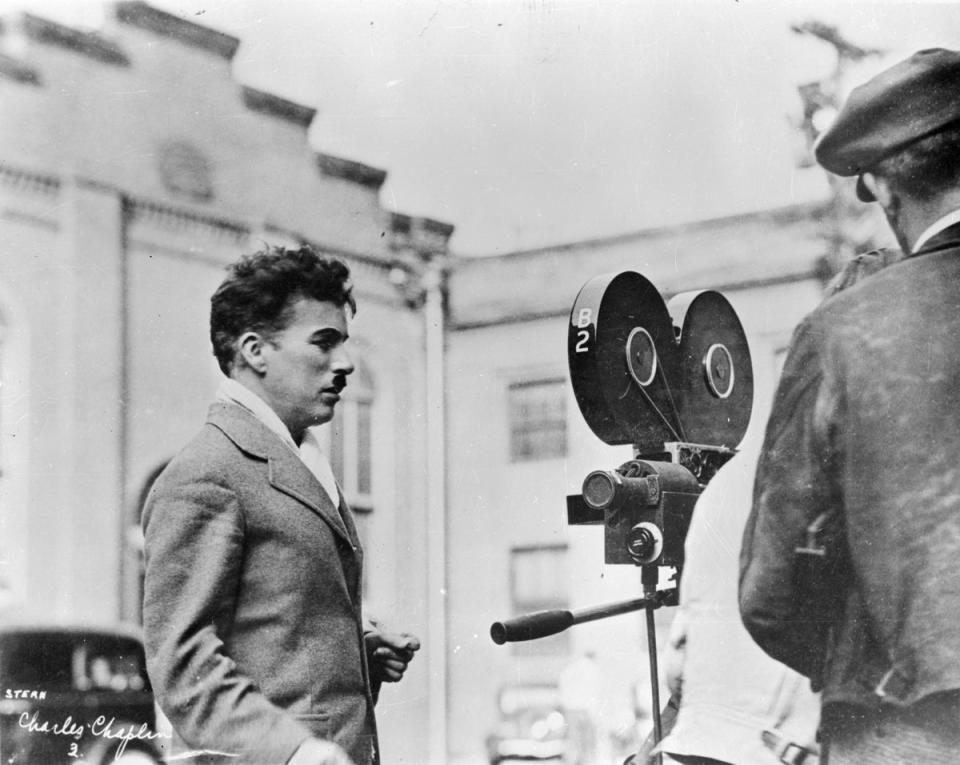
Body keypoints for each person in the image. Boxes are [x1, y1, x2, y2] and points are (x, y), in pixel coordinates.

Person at [740, 48, 960, 763]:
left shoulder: (841, 332)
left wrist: (854, 662)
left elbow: (770, 589)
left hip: (902, 729)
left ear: (884, 190)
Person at [142, 245, 420, 765]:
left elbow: (273, 638)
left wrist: (361, 655)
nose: (346, 363)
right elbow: (183, 671)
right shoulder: (206, 474)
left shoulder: (298, 461)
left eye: (344, 343)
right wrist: (291, 751)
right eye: (324, 342)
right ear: (254, 351)